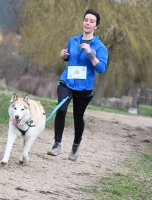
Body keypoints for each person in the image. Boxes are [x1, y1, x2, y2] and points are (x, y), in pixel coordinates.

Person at [47, 9, 108, 161]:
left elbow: (101, 68)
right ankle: (57, 144)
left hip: (84, 88)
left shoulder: (100, 47)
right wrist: (64, 56)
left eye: (91, 21)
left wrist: (91, 55)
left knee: (77, 117)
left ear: (96, 26)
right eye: (86, 20)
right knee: (61, 109)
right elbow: (69, 58)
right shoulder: (73, 40)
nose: (88, 23)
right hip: (67, 81)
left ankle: (75, 146)